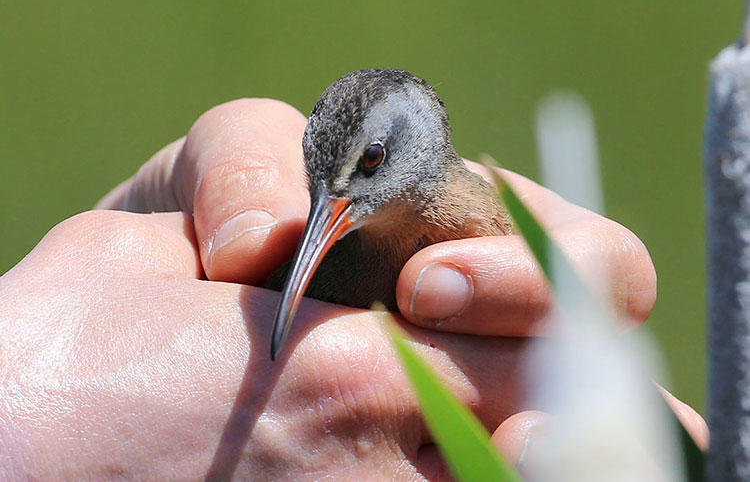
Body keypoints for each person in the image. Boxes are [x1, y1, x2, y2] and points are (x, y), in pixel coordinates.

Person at [0, 98, 706, 480]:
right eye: (318, 191)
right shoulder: (300, 247)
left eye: (368, 165)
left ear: (420, 141)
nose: (319, 225)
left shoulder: (478, 223)